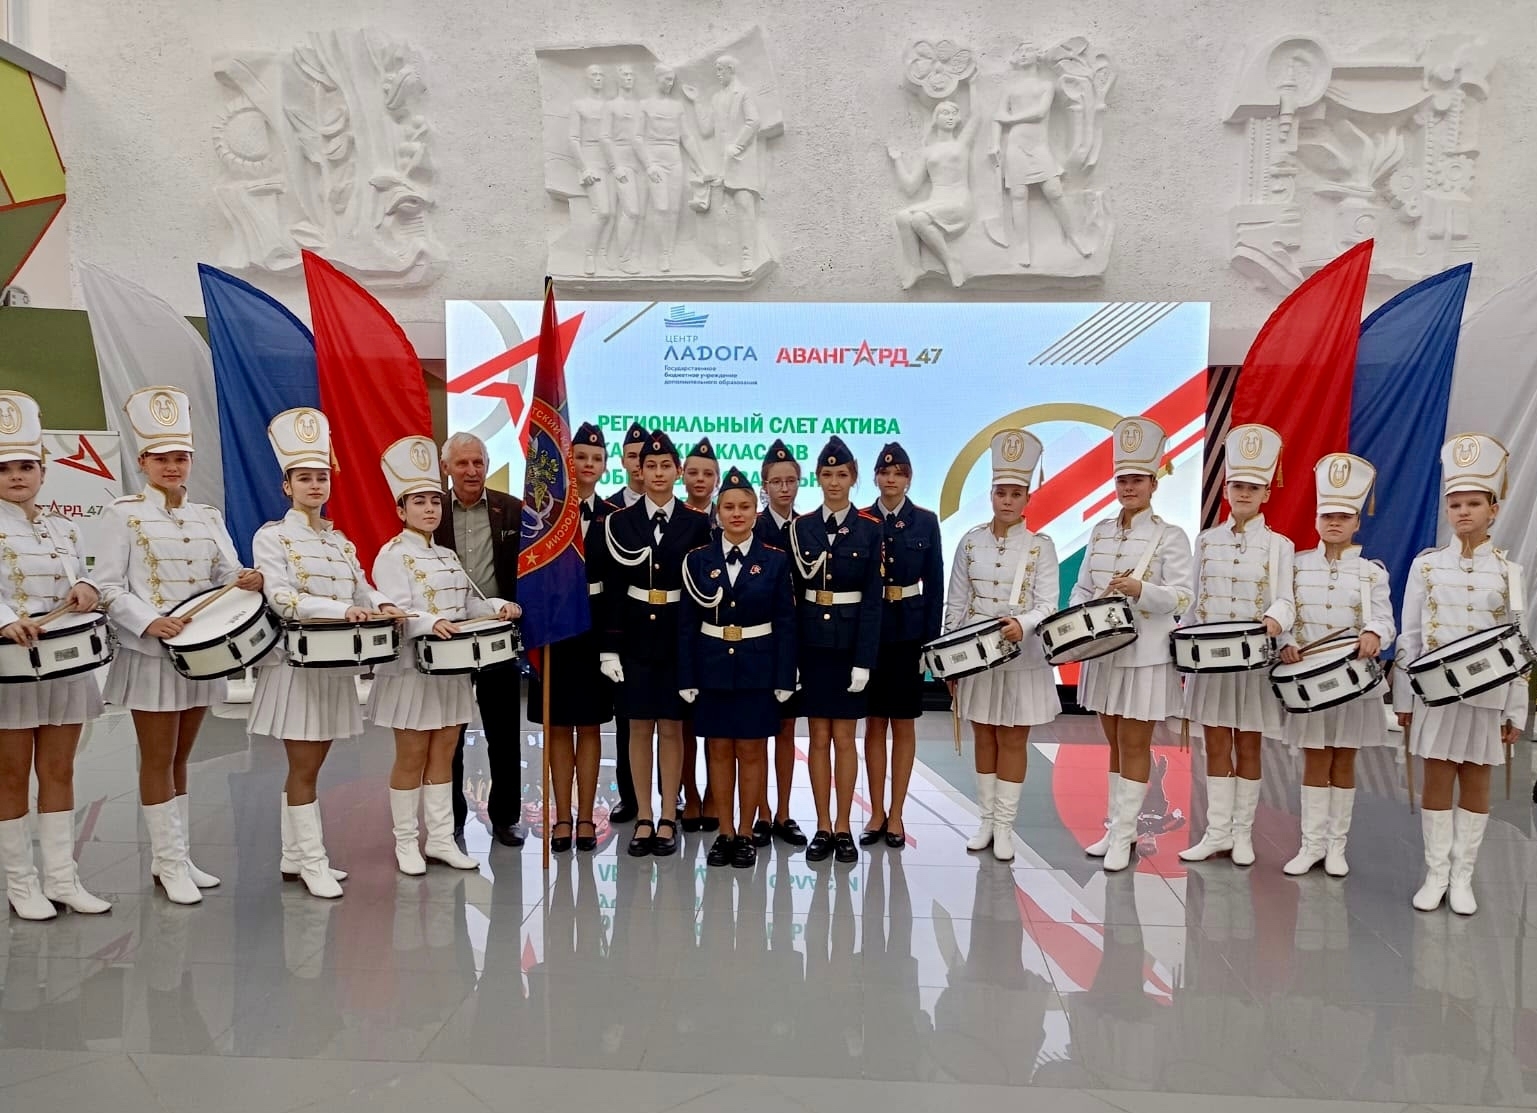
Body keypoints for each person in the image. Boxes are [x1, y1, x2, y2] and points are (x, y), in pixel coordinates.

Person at [93, 386, 262, 906]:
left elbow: (226, 571)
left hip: (199, 653)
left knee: (183, 757)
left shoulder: (207, 516)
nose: (172, 466)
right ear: (142, 461)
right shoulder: (122, 514)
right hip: (152, 656)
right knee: (157, 758)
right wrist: (149, 622)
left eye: (180, 458)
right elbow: (107, 586)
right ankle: (166, 864)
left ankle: (178, 856)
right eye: (161, 458)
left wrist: (246, 578)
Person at [248, 407, 405, 899]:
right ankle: (312, 860)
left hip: (333, 664)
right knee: (304, 766)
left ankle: (293, 856)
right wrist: (343, 611)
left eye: (321, 477)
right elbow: (282, 597)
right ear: (287, 486)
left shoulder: (339, 542)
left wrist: (382, 604)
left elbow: (362, 587)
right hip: (295, 667)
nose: (315, 485)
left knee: (314, 764)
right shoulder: (271, 536)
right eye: (304, 478)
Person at [369, 436, 521, 875]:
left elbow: (469, 600)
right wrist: (427, 620)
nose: (430, 509)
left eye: (434, 502)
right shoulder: (392, 554)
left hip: (453, 665)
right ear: (402, 509)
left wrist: (497, 607)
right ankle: (406, 842)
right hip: (414, 670)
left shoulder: (446, 554)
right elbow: (396, 609)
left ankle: (439, 839)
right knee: (412, 755)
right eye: (420, 502)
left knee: (445, 750)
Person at [1396, 434, 1523, 915]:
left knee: (1475, 779)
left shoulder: (1510, 573)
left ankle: (1462, 876)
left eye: (1474, 504)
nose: (1463, 512)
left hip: (1488, 696)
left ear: (1494, 509)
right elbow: (1409, 636)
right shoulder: (1427, 567)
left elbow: (1518, 645)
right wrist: (1405, 699)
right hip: (1436, 695)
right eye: (1455, 504)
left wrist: (1515, 709)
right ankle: (1436, 874)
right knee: (1437, 777)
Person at [0, 391, 109, 918]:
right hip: (11, 666)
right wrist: (5, 618)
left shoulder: (63, 526)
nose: (16, 477)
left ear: (43, 472)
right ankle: (21, 885)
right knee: (11, 775)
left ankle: (62, 879)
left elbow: (80, 576)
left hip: (64, 662)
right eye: (4, 469)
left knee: (60, 769)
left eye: (26, 467)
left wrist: (87, 586)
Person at [1068, 417, 1192, 873]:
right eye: (1123, 480)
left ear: (1154, 483)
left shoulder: (1170, 535)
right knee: (1115, 744)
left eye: (1137, 480)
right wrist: (1079, 613)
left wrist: (1142, 591)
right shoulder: (1100, 531)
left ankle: (1126, 835)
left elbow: (1183, 597)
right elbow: (1082, 587)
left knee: (1135, 744)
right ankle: (1115, 827)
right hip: (1104, 654)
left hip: (1145, 656)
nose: (1129, 487)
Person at [1179, 424, 1295, 867]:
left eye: (1252, 488)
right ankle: (1216, 833)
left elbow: (1286, 599)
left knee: (1248, 745)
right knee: (1215, 744)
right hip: (1210, 660)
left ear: (1266, 493)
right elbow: (1194, 600)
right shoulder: (1206, 541)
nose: (1243, 493)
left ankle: (1242, 835)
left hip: (1252, 662)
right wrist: (1181, 645)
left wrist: (1276, 620)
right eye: (1237, 486)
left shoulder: (1279, 546)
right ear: (1226, 489)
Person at [943, 429, 1060, 862]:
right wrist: (951, 661)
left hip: (1021, 655)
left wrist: (1023, 624)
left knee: (1013, 738)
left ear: (1027, 497)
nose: (1007, 501)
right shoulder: (970, 541)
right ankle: (986, 821)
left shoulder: (1040, 547)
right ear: (991, 494)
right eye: (1000, 493)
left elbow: (1048, 604)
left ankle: (1006, 827)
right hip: (978, 657)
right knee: (984, 736)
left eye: (1016, 494)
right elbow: (956, 604)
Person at [1279, 453, 1394, 878]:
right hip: (1310, 681)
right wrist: (1286, 643)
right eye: (1327, 515)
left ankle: (1336, 847)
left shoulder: (1371, 573)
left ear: (1357, 522)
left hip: (1352, 682)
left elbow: (1385, 621)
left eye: (1344, 516)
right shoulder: (1295, 566)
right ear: (1316, 519)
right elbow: (1286, 614)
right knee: (1314, 759)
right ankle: (1310, 845)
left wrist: (1374, 634)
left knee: (1343, 760)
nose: (1334, 523)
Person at [599, 430, 712, 857]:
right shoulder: (619, 522)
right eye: (651, 466)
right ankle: (643, 815)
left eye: (666, 466)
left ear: (678, 472)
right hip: (634, 638)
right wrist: (609, 648)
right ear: (639, 471)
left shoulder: (697, 522)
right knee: (638, 726)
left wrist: (697, 648)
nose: (659, 473)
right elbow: (612, 588)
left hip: (677, 636)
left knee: (672, 726)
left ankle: (668, 814)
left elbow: (701, 591)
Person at [678, 468, 796, 869]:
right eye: (728, 507)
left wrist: (785, 676)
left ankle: (746, 832)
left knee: (751, 750)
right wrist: (687, 675)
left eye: (745, 506)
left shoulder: (775, 560)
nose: (737, 514)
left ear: (755, 511)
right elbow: (687, 622)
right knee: (718, 750)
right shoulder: (698, 560)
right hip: (712, 666)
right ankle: (724, 833)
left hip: (757, 667)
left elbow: (785, 622)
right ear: (718, 513)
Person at [787, 436, 883, 864]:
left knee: (845, 739)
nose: (834, 482)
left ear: (853, 478)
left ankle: (844, 825)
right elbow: (791, 597)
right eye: (827, 475)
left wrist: (864, 659)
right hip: (812, 645)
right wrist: (791, 658)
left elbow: (873, 599)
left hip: (848, 646)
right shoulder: (801, 527)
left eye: (842, 475)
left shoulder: (870, 528)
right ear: (818, 478)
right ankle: (822, 825)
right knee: (818, 738)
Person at [434, 432, 525, 847]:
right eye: (462, 463)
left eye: (478, 462)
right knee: (449, 734)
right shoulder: (432, 512)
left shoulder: (512, 510)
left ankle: (505, 818)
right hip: (447, 637)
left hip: (497, 636)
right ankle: (450, 820)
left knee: (503, 732)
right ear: (446, 468)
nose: (471, 471)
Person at [528, 422, 614, 853]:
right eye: (580, 457)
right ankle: (561, 815)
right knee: (558, 726)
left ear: (605, 466)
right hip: (554, 630)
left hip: (593, 630)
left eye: (596, 459)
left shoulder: (614, 517)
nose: (588, 464)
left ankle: (585, 818)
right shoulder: (543, 515)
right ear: (566, 462)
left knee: (590, 725)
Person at [861, 442, 944, 850]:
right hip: (871, 632)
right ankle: (876, 811)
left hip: (909, 633)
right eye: (885, 472)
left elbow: (935, 585)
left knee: (904, 723)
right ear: (876, 476)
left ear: (909, 479)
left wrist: (930, 642)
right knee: (874, 722)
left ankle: (897, 813)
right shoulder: (861, 519)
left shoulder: (924, 521)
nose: (891, 479)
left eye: (899, 473)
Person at [752, 437, 808, 848]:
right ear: (765, 486)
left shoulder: (809, 528)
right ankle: (761, 812)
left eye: (791, 481)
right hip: (757, 642)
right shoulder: (750, 525)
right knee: (757, 732)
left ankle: (785, 812)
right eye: (777, 481)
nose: (784, 488)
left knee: (787, 730)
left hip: (795, 642)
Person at [888, 95, 981, 288]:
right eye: (945, 113)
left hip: (958, 201)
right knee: (902, 217)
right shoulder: (928, 152)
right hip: (936, 201)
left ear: (958, 119)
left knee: (920, 219)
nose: (950, 117)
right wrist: (897, 160)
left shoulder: (961, 144)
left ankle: (950, 261)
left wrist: (972, 83)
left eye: (954, 113)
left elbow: (977, 115)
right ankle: (915, 267)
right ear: (935, 119)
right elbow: (910, 186)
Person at [606, 420, 650, 825]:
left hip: (665, 634)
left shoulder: (681, 513)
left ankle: (673, 794)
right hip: (630, 633)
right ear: (622, 461)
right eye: (633, 457)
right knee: (627, 720)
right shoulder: (610, 512)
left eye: (646, 458)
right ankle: (629, 796)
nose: (639, 465)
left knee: (671, 724)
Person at [679, 436, 721, 832]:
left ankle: (714, 794)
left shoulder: (732, 516)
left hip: (722, 637)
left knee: (717, 724)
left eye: (707, 473)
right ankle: (688, 793)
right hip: (682, 631)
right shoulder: (674, 518)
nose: (700, 479)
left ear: (717, 479)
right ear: (682, 476)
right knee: (684, 724)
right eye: (693, 472)